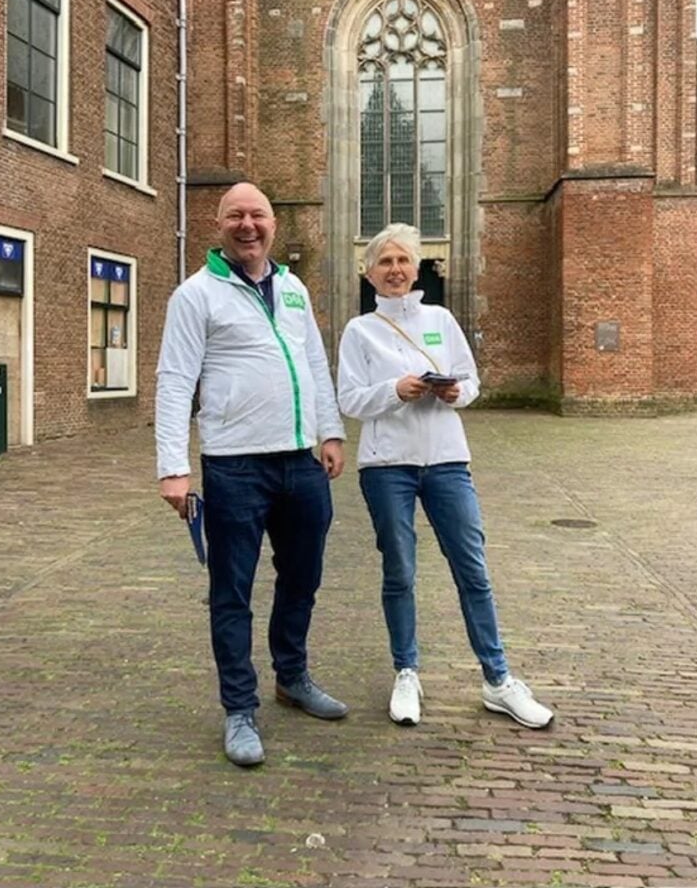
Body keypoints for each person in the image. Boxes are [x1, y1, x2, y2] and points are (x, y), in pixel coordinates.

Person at [155, 182, 348, 767]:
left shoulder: (292, 289)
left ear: (273, 224)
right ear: (219, 224)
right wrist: (174, 468)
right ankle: (239, 707)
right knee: (231, 592)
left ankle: (291, 676)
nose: (248, 225)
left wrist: (331, 431)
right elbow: (173, 380)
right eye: (235, 215)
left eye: (257, 215)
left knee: (302, 578)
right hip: (235, 465)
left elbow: (314, 363)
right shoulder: (195, 296)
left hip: (300, 461)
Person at [337, 223, 553, 730]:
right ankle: (406, 671)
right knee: (401, 571)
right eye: (384, 262)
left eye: (402, 261)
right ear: (369, 274)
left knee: (472, 568)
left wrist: (458, 393)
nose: (394, 270)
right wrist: (396, 389)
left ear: (417, 268)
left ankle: (498, 679)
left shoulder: (441, 318)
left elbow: (472, 379)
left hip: (447, 460)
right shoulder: (359, 331)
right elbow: (349, 399)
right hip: (387, 465)